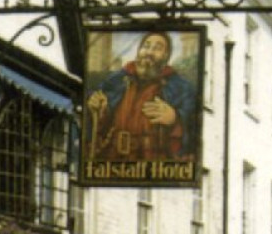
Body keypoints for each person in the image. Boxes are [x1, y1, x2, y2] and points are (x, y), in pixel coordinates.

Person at [84, 30, 197, 161]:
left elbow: (193, 126)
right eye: (146, 46)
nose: (149, 52)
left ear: (166, 56)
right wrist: (98, 108)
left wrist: (174, 119)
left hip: (154, 164)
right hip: (114, 162)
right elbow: (96, 115)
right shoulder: (117, 80)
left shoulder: (180, 88)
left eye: (157, 48)